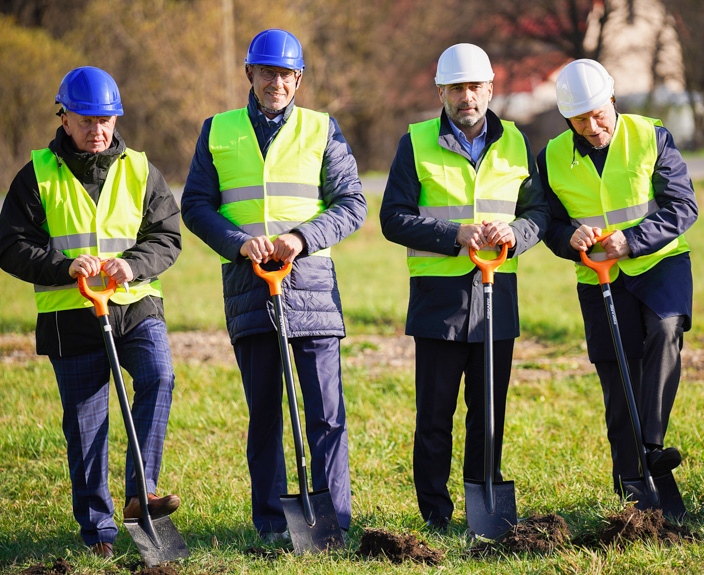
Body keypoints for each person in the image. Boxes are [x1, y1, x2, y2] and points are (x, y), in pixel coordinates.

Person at [182, 29, 365, 539]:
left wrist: (302, 238)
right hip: (248, 286)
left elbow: (352, 203)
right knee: (264, 414)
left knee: (326, 413)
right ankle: (271, 524)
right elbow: (195, 205)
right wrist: (239, 242)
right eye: (267, 73)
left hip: (311, 286)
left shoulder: (322, 129)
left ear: (299, 79)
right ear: (250, 76)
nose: (276, 82)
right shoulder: (217, 130)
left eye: (286, 74)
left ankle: (332, 522)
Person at [0, 67, 182, 558]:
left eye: (106, 120)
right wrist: (62, 267)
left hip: (135, 305)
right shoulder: (36, 175)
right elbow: (10, 244)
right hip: (69, 315)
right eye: (86, 121)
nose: (98, 131)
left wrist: (132, 265)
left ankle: (139, 493)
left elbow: (167, 237)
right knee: (85, 425)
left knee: (159, 378)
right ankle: (98, 532)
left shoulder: (142, 169)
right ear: (64, 118)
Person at [380, 43, 549, 532]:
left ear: (490, 89)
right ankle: (435, 513)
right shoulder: (414, 143)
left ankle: (485, 503)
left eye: (475, 87)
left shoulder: (516, 142)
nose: (466, 96)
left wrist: (516, 235)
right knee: (435, 415)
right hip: (439, 300)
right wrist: (451, 235)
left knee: (489, 410)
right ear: (441, 91)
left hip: (498, 296)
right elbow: (393, 218)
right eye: (456, 88)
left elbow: (538, 213)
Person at [539, 59, 698, 496]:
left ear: (612, 99)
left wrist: (633, 240)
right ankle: (633, 486)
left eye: (598, 114)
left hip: (658, 265)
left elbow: (683, 206)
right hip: (598, 279)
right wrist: (570, 238)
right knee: (617, 378)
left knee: (665, 331)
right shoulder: (551, 156)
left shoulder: (650, 136)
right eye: (579, 119)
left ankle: (650, 445)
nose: (591, 126)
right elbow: (547, 224)